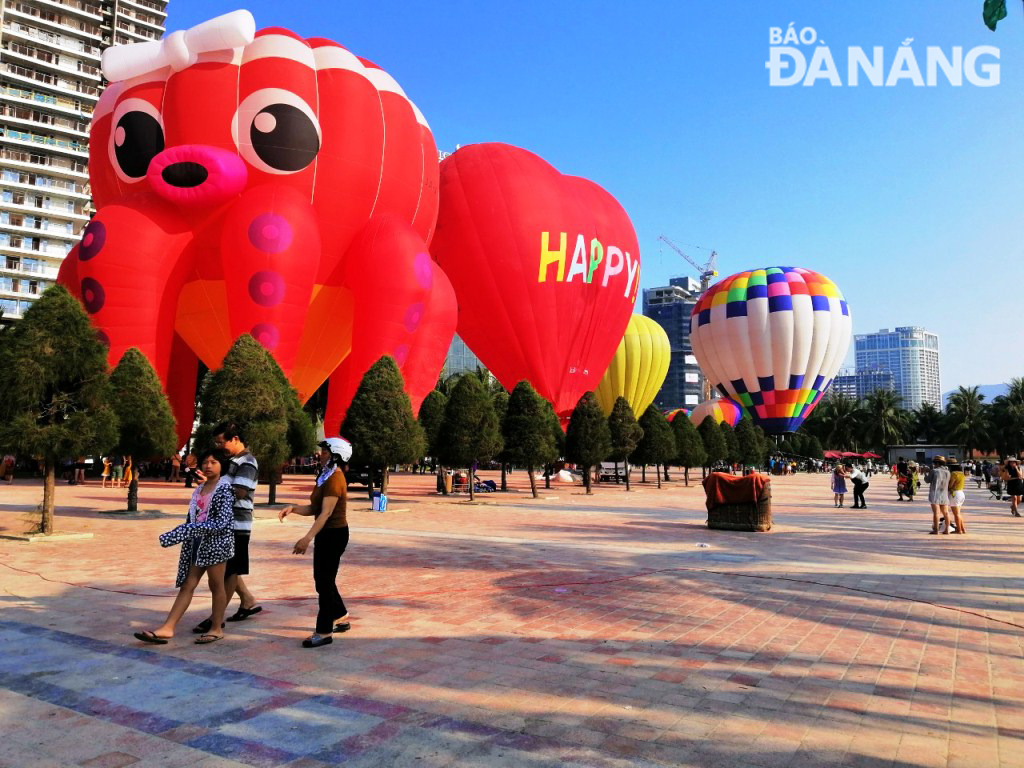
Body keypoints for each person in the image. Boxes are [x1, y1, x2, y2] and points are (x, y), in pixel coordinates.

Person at [133, 450, 235, 645]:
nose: (208, 465)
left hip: (217, 543)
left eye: (214, 462)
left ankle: (216, 628)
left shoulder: (224, 489)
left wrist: (185, 530)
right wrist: (186, 533)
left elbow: (221, 523)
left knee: (216, 585)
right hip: (197, 543)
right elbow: (193, 516)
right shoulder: (199, 489)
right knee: (188, 584)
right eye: (205, 462)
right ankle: (168, 628)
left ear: (222, 465)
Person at [279, 437, 354, 649]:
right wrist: (293, 508)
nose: (320, 455)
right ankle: (339, 615)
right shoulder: (326, 476)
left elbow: (326, 513)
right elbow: (315, 509)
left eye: (324, 452)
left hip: (334, 534)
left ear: (336, 455)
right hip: (326, 533)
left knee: (324, 582)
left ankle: (324, 631)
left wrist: (307, 538)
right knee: (323, 580)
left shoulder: (335, 479)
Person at [211, 422, 261, 625]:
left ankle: (216, 618)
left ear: (235, 439)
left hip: (237, 524)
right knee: (228, 566)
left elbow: (240, 491)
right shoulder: (233, 460)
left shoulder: (247, 462)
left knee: (229, 570)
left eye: (222, 442)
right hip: (226, 521)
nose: (220, 446)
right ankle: (247, 600)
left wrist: (215, 490)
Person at [925, 456, 951, 534]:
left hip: (935, 493)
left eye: (934, 463)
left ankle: (936, 530)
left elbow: (927, 480)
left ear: (937, 463)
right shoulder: (948, 472)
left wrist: (926, 473)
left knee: (936, 513)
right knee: (946, 513)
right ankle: (947, 530)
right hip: (944, 494)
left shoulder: (934, 471)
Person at [948, 460, 967, 534]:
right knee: (958, 513)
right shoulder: (962, 473)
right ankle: (962, 529)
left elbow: (950, 485)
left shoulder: (954, 473)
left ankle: (959, 530)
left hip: (955, 494)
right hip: (961, 493)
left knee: (956, 514)